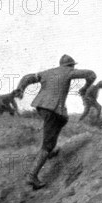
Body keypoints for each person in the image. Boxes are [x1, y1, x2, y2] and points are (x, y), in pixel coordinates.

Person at [17, 54, 96, 190]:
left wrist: (21, 89)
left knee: (63, 118)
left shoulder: (47, 72)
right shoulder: (69, 71)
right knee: (47, 144)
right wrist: (85, 87)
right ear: (70, 65)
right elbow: (91, 74)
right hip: (52, 109)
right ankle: (32, 175)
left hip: (41, 106)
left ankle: (50, 148)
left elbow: (27, 78)